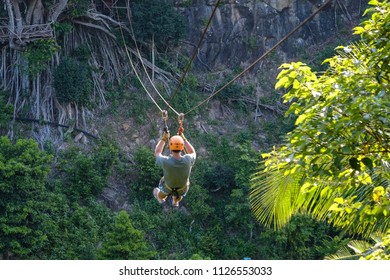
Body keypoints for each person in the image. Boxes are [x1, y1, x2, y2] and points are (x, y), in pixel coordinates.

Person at [153, 129, 196, 207]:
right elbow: (192, 152)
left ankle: (161, 198)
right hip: (183, 189)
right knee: (180, 192)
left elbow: (157, 152)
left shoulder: (165, 161)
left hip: (167, 188)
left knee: (157, 193)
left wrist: (164, 138)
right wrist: (183, 138)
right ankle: (176, 200)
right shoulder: (188, 160)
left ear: (170, 147)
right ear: (182, 147)